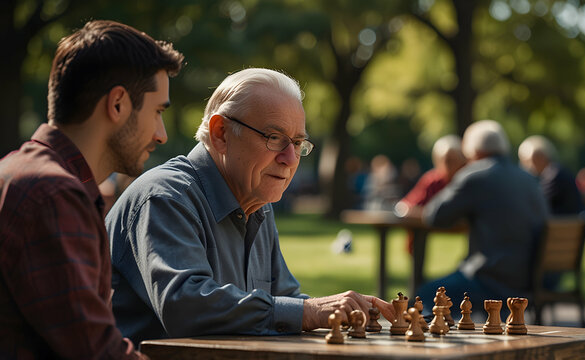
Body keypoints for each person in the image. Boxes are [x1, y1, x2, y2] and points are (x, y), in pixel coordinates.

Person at [106, 68, 395, 345]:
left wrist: (344, 310)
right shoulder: (165, 197)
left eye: (297, 143)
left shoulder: (256, 202)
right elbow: (185, 306)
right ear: (221, 133)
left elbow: (283, 301)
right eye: (274, 138)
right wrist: (308, 312)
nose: (290, 159)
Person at [0, 20, 184, 359]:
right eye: (157, 111)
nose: (161, 135)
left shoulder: (19, 171)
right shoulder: (53, 194)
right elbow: (97, 352)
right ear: (117, 105)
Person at [416, 120, 549, 320]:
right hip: (528, 278)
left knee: (422, 297)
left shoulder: (475, 175)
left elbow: (434, 215)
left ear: (472, 151)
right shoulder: (528, 179)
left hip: (489, 279)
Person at [394, 135, 466, 254]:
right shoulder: (432, 180)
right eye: (446, 161)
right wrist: (430, 213)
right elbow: (404, 207)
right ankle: (417, 270)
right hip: (431, 223)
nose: (450, 166)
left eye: (454, 160)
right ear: (437, 162)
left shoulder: (469, 180)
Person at [517, 135, 585, 215]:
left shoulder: (553, 175)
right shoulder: (556, 171)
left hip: (564, 224)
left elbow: (538, 203)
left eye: (528, 161)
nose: (527, 166)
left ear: (541, 157)